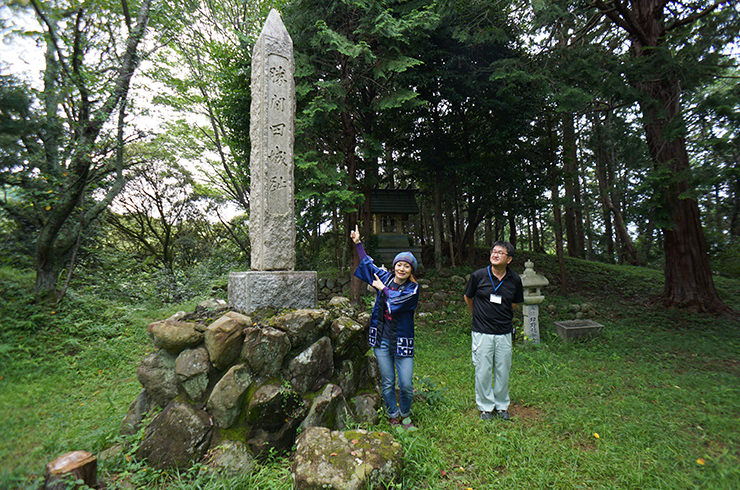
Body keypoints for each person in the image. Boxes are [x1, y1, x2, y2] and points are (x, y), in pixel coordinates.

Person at [350, 224, 420, 429]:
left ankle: (405, 415)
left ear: (411, 271)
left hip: (402, 342)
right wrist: (358, 243)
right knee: (388, 381)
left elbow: (400, 300)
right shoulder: (386, 277)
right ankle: (392, 414)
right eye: (399, 264)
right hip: (382, 339)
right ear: (395, 265)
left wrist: (383, 289)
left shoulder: (413, 288)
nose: (402, 269)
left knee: (406, 384)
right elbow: (367, 264)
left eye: (407, 266)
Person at [464, 241, 523, 421]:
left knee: (502, 370)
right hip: (482, 331)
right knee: (482, 370)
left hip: (504, 332)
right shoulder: (479, 276)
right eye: (494, 251)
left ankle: (502, 405)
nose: (495, 254)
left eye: (501, 252)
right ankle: (485, 407)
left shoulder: (514, 280)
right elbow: (468, 297)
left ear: (509, 259)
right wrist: (478, 315)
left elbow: (514, 303)